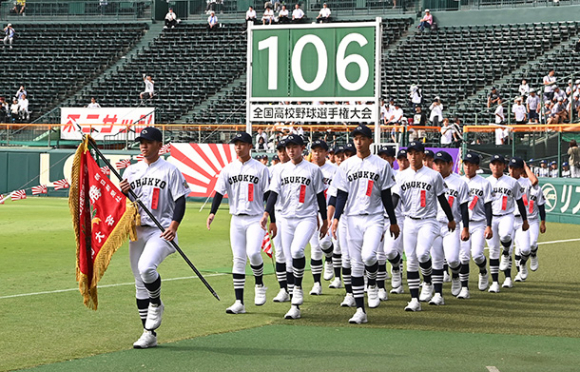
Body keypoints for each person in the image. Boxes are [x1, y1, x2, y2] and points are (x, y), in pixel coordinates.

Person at [118, 127, 190, 349]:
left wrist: (174, 227)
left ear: (160, 145)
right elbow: (127, 204)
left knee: (147, 268)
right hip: (137, 230)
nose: (143, 145)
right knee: (139, 283)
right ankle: (148, 333)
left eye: (148, 142)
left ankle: (156, 303)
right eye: (141, 141)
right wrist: (123, 191)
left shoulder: (170, 170)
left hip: (161, 229)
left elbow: (180, 200)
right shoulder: (130, 171)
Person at [331, 125, 399, 323]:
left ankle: (373, 284)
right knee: (355, 265)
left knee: (369, 256)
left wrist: (393, 221)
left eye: (362, 138)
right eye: (356, 138)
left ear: (370, 141)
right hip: (352, 218)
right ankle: (360, 310)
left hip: (374, 217)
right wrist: (336, 218)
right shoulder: (346, 165)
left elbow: (386, 194)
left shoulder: (381, 165)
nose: (359, 142)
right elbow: (341, 194)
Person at [261, 134, 328, 320]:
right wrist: (267, 214)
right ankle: (294, 305)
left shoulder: (313, 170)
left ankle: (297, 288)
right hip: (284, 218)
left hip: (306, 217)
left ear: (302, 148)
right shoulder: (280, 170)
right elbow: (273, 194)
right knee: (288, 260)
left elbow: (321, 197)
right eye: (288, 147)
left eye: (295, 146)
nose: (291, 150)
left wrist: (324, 221)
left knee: (297, 251)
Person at [207, 132, 270, 315]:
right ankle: (239, 302)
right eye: (236, 144)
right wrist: (212, 212)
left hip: (255, 218)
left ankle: (259, 284)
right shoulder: (228, 169)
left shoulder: (261, 169)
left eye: (242, 144)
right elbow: (219, 192)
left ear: (250, 146)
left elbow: (268, 195)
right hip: (236, 219)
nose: (238, 147)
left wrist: (270, 215)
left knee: (253, 253)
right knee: (238, 259)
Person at [394, 141, 454, 311]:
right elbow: (395, 199)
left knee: (422, 254)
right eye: (410, 153)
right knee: (411, 260)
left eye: (417, 153)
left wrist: (450, 218)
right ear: (407, 155)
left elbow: (442, 198)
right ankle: (414, 300)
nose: (413, 156)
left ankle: (427, 282)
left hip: (429, 220)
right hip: (409, 220)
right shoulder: (401, 176)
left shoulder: (433, 175)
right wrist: (390, 218)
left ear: (423, 155)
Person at [485, 155, 528, 293]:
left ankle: (506, 260)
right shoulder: (486, 182)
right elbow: (483, 205)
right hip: (491, 218)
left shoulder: (512, 182)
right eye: (494, 164)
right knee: (492, 251)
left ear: (504, 166)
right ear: (490, 166)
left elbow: (520, 202)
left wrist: (525, 220)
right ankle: (495, 282)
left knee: (505, 237)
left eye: (499, 164)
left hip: (506, 215)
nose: (496, 167)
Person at [431, 151, 469, 303]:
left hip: (452, 225)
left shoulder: (459, 182)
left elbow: (464, 207)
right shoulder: (431, 179)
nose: (439, 166)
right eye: (437, 163)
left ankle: (455, 274)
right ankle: (438, 294)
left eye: (442, 163)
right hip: (433, 223)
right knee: (436, 260)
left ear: (450, 165)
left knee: (453, 259)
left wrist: (465, 227)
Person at [459, 152, 493, 295]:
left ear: (477, 166)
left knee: (478, 255)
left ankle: (483, 271)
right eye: (465, 164)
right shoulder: (459, 181)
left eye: (471, 164)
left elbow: (488, 206)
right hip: (462, 223)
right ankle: (464, 288)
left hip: (479, 223)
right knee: (463, 257)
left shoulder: (484, 183)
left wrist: (489, 225)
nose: (467, 167)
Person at [307, 140, 337, 296]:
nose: (317, 153)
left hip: (328, 211)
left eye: (320, 150)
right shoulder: (307, 169)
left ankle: (330, 259)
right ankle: (316, 284)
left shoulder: (334, 170)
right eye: (314, 150)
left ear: (327, 153)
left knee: (325, 242)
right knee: (315, 249)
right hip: (311, 212)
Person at [507, 158, 540, 283]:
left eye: (515, 168)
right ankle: (516, 274)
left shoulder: (525, 181)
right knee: (513, 249)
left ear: (520, 170)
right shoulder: (505, 180)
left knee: (526, 249)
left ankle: (523, 264)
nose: (512, 170)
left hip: (523, 219)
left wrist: (526, 168)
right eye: (510, 167)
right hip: (509, 219)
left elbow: (535, 181)